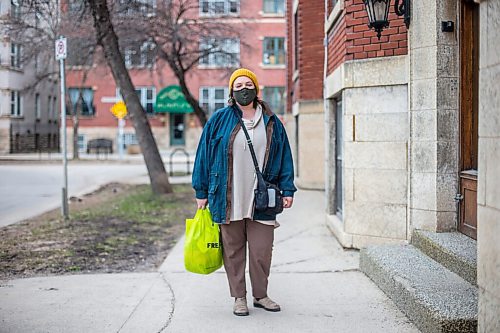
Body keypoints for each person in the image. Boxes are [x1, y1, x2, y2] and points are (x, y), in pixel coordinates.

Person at [192, 68, 297, 316]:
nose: (243, 89)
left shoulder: (272, 121)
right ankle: (239, 296)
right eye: (237, 85)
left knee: (261, 251)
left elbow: (284, 157)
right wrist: (201, 190)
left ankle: (261, 295)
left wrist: (288, 188)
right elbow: (203, 157)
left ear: (256, 88)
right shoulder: (219, 119)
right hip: (228, 196)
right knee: (233, 250)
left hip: (263, 198)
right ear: (231, 91)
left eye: (247, 84)